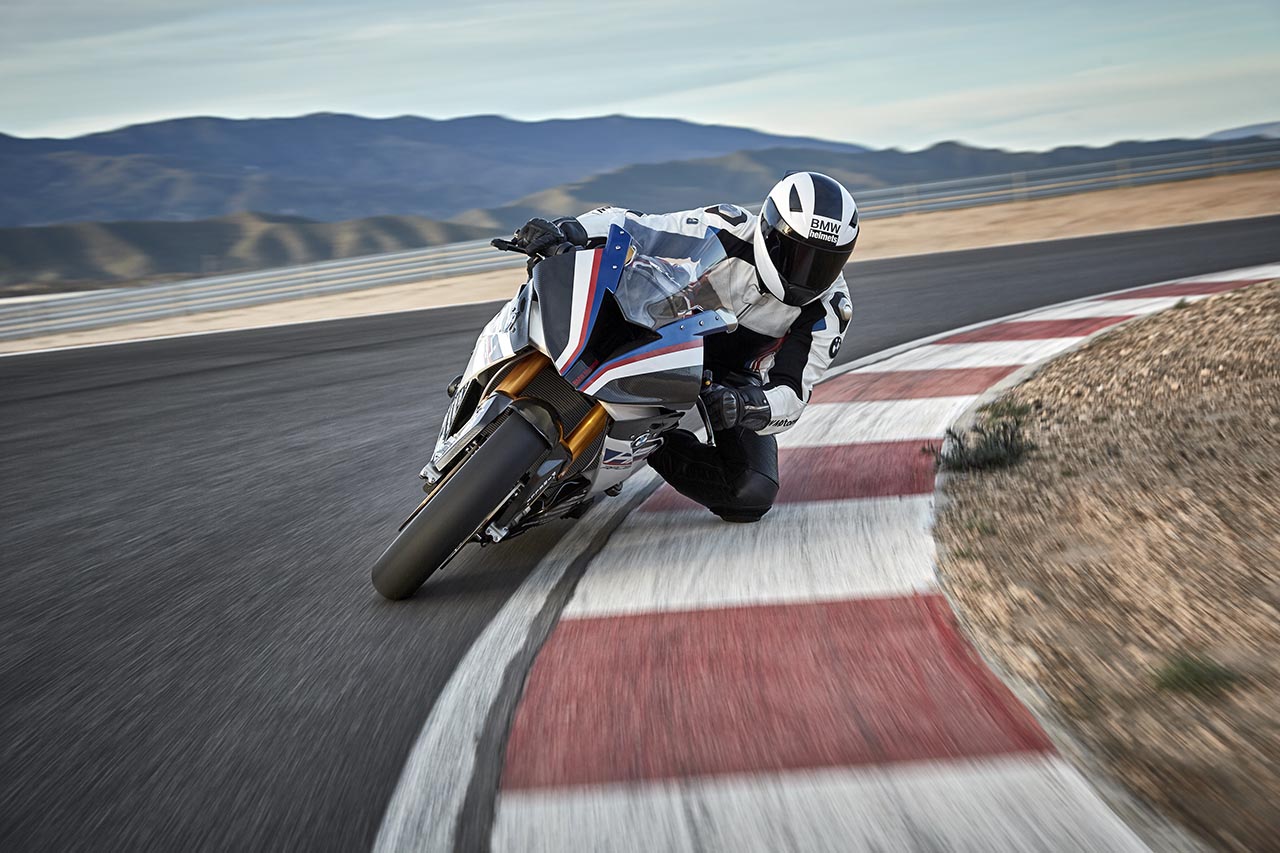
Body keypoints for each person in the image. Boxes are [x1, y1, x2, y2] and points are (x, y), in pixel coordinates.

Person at [507, 171, 858, 522]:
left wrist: (747, 405)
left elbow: (793, 395)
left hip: (732, 380)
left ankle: (644, 447)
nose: (807, 274)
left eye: (824, 263)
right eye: (798, 255)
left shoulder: (830, 309)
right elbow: (637, 226)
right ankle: (507, 360)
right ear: (768, 231)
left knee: (751, 491)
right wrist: (568, 228)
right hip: (669, 326)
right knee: (573, 286)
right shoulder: (728, 227)